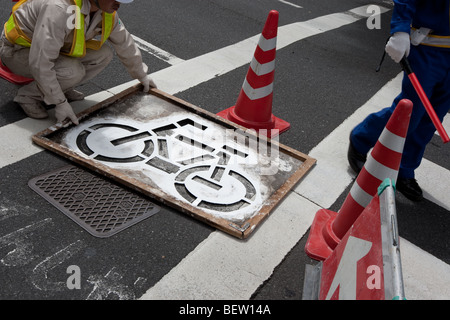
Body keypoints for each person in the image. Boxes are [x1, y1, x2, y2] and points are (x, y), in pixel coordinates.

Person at [348, 0, 450, 202]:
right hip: (429, 46)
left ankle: (405, 168)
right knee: (410, 113)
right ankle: (362, 137)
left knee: (432, 119)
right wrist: (401, 29)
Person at [0, 0, 156, 125]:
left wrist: (141, 75)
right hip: (17, 51)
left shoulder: (105, 12)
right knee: (73, 72)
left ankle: (63, 86)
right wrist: (60, 103)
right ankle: (28, 96)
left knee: (104, 54)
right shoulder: (59, 8)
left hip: (52, 50)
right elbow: (41, 62)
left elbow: (124, 43)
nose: (118, 5)